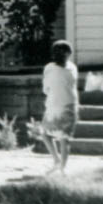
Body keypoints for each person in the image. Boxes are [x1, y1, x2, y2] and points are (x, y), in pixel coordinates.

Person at [42, 40, 79, 175]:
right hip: (68, 104)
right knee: (64, 138)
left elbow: (45, 89)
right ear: (69, 54)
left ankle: (58, 162)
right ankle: (62, 166)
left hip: (55, 104)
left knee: (46, 134)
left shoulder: (49, 68)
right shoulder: (72, 68)